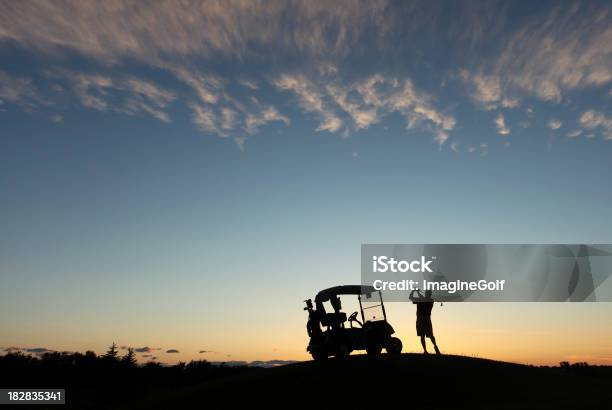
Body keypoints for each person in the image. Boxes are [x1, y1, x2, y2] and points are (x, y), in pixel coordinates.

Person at [409, 289, 441, 355]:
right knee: (429, 335)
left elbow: (411, 297)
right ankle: (433, 348)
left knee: (423, 336)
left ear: (427, 294)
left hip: (421, 319)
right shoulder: (431, 300)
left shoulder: (426, 300)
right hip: (426, 319)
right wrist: (417, 293)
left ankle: (426, 351)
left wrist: (414, 291)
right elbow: (419, 298)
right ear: (430, 294)